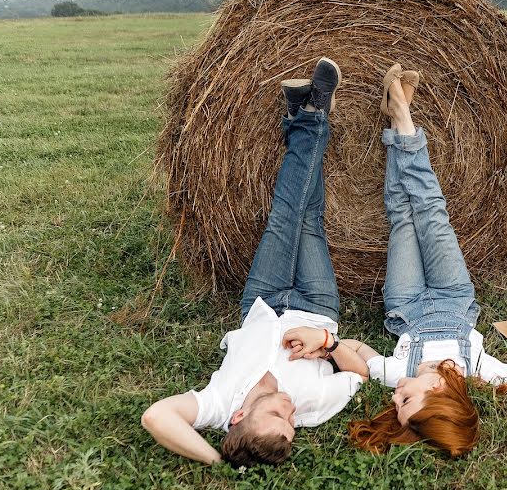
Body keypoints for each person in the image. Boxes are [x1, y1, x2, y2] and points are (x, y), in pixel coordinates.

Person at [142, 57, 372, 467]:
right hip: (317, 306)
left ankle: (308, 118)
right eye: (291, 423)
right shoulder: (312, 404)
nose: (289, 409)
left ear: (239, 416)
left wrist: (219, 461)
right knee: (308, 218)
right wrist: (328, 344)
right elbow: (358, 375)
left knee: (286, 215)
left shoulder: (217, 403)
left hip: (262, 300)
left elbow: (156, 416)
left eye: (276, 414)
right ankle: (307, 117)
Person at [347, 64, 507, 458]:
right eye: (407, 402)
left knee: (402, 216)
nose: (396, 397)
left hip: (406, 305)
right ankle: (402, 119)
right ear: (436, 392)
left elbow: (353, 348)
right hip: (453, 296)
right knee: (431, 213)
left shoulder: (394, 374)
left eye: (396, 406)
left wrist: (330, 347)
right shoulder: (483, 373)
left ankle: (398, 120)